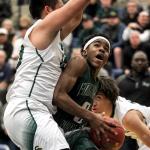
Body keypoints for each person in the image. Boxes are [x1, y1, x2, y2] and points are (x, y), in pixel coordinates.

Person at [3, 0, 93, 150]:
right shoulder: (41, 26)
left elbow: (76, 17)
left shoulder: (52, 37)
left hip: (33, 112)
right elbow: (75, 6)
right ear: (48, 10)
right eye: (61, 6)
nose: (65, 9)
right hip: (28, 108)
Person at [53, 34, 116, 149]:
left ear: (106, 60)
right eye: (96, 45)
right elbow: (58, 96)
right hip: (56, 130)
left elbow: (83, 113)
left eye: (106, 49)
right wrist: (91, 117)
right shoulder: (79, 62)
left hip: (75, 134)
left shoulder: (98, 83)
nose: (101, 49)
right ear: (84, 52)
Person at [92, 76, 150, 149]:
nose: (93, 103)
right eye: (92, 97)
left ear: (110, 98)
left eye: (98, 98)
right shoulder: (95, 112)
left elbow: (147, 136)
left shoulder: (128, 117)